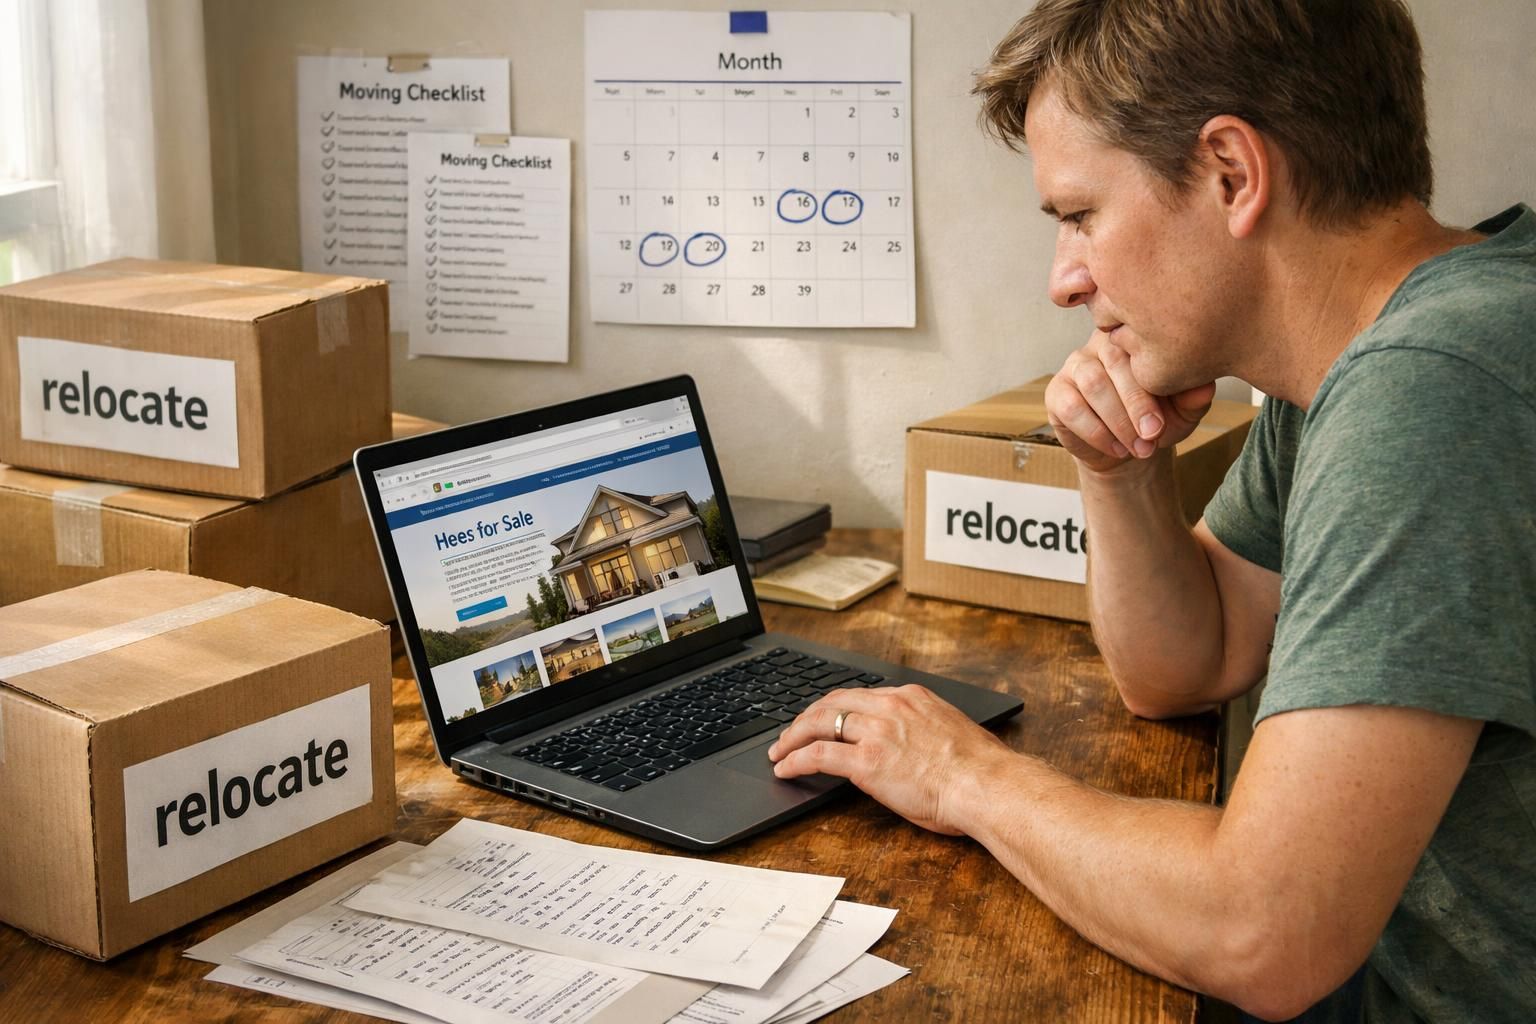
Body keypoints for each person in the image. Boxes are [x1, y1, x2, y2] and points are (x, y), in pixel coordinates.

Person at [767, 1, 1536, 1020]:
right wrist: (1116, 473)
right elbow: (1189, 665)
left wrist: (963, 779)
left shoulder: (1434, 381)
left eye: (1079, 214)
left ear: (1231, 173)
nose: (1065, 278)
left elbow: (1264, 931)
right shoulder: (1359, 354)